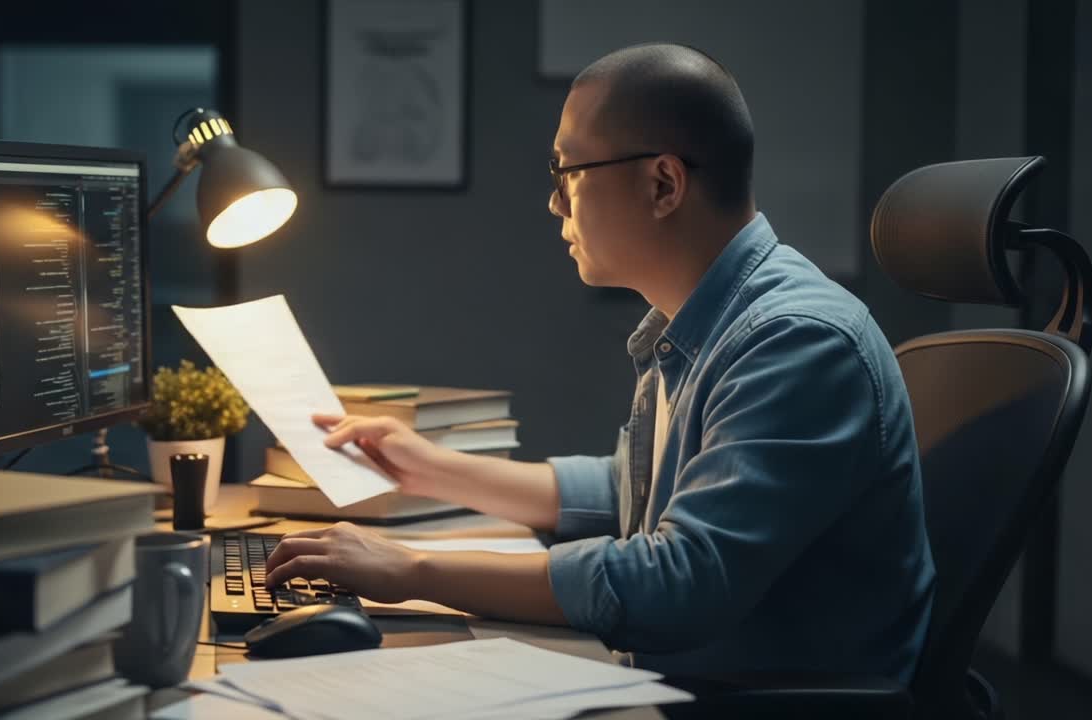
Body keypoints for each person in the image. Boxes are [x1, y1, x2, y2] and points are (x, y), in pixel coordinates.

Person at [265, 43, 936, 684]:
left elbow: (681, 580)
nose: (555, 201)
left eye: (567, 172)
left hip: (754, 703)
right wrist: (428, 468)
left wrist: (411, 570)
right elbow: (627, 493)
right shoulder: (699, 323)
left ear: (663, 184)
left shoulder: (796, 341)